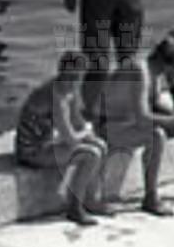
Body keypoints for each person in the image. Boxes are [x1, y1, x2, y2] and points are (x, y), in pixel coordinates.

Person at [99, 42, 174, 215]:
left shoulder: (155, 73)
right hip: (109, 127)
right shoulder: (139, 72)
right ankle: (150, 198)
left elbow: (157, 105)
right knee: (156, 136)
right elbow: (143, 117)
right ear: (166, 64)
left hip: (130, 123)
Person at [13, 50, 108, 226]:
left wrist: (91, 136)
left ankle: (91, 198)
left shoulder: (69, 91)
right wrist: (86, 132)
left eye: (77, 77)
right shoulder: (56, 95)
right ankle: (75, 208)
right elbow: (71, 139)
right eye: (69, 76)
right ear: (60, 72)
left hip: (47, 143)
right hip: (32, 152)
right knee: (90, 155)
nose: (72, 81)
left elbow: (77, 121)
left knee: (100, 145)